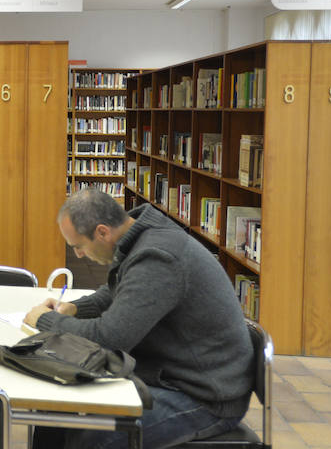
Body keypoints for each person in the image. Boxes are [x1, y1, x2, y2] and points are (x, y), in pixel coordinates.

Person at [24, 188, 254, 449]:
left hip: (205, 396)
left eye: (79, 246)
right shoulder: (137, 237)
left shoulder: (158, 256)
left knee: (93, 438)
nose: (77, 255)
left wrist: (45, 321)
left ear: (102, 232)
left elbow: (110, 338)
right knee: (57, 404)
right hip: (172, 372)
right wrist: (74, 308)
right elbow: (117, 292)